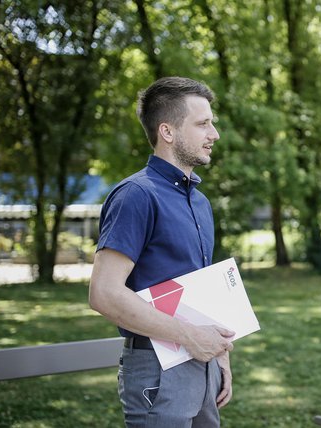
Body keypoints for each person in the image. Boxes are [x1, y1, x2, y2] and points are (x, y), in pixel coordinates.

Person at [89, 76, 235, 427]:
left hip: (204, 365)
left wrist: (221, 358)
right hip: (157, 369)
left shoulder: (200, 202)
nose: (214, 134)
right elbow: (104, 294)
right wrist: (190, 337)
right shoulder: (135, 195)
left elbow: (203, 289)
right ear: (167, 132)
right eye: (203, 124)